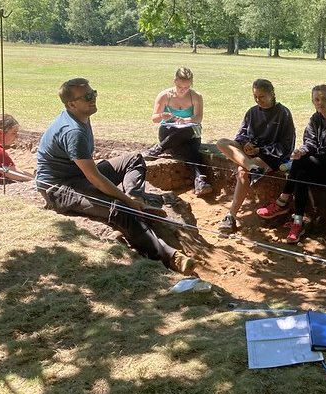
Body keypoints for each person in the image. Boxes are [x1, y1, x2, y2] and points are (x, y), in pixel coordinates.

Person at [36, 77, 195, 274]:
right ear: (71, 104)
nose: (92, 98)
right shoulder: (73, 131)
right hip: (60, 188)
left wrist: (132, 198)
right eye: (87, 96)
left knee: (133, 159)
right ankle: (167, 256)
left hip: (79, 176)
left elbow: (91, 174)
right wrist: (125, 200)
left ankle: (138, 200)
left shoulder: (80, 116)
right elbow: (94, 178)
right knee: (119, 208)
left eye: (93, 93)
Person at [256, 84, 326, 244]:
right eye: (316, 99)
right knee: (301, 172)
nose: (320, 102)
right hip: (320, 164)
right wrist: (302, 151)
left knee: (301, 164)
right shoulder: (315, 118)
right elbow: (309, 141)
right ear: (312, 101)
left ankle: (282, 201)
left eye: (324, 99)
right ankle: (298, 222)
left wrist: (303, 155)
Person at [216, 79, 295, 232]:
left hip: (271, 156)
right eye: (256, 97)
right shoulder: (252, 112)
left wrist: (260, 150)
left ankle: (231, 216)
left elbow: (286, 146)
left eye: (262, 97)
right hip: (249, 155)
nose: (259, 100)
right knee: (222, 142)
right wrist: (245, 143)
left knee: (242, 173)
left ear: (272, 94)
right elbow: (241, 135)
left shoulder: (283, 113)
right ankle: (251, 166)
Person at [144, 66, 211, 196]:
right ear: (175, 82)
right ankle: (200, 180)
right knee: (188, 146)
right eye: (180, 87)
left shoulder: (196, 96)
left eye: (186, 87)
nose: (183, 90)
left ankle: (159, 148)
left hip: (189, 131)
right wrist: (163, 116)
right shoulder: (165, 95)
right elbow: (154, 118)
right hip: (169, 131)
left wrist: (186, 120)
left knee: (188, 138)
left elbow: (198, 118)